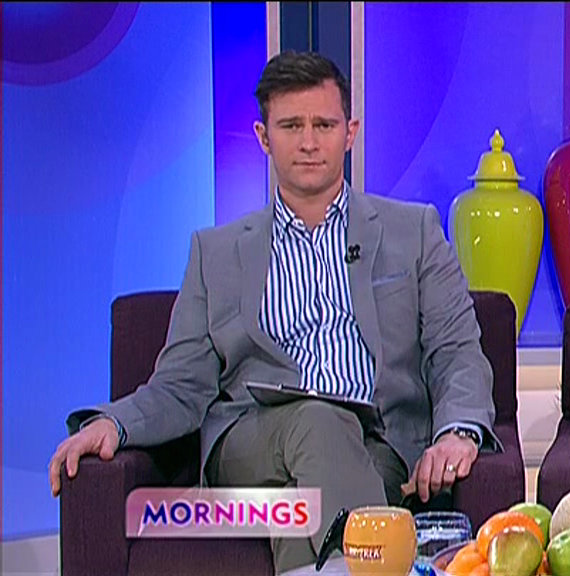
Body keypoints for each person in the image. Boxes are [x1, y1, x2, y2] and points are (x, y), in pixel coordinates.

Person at [47, 51, 500, 573]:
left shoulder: (414, 232)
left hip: (378, 445)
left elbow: (456, 351)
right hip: (252, 445)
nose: (309, 142)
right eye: (291, 126)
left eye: (323, 125)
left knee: (306, 502)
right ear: (264, 137)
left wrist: (458, 430)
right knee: (318, 418)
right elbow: (180, 384)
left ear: (349, 133)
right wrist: (115, 423)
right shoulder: (216, 253)